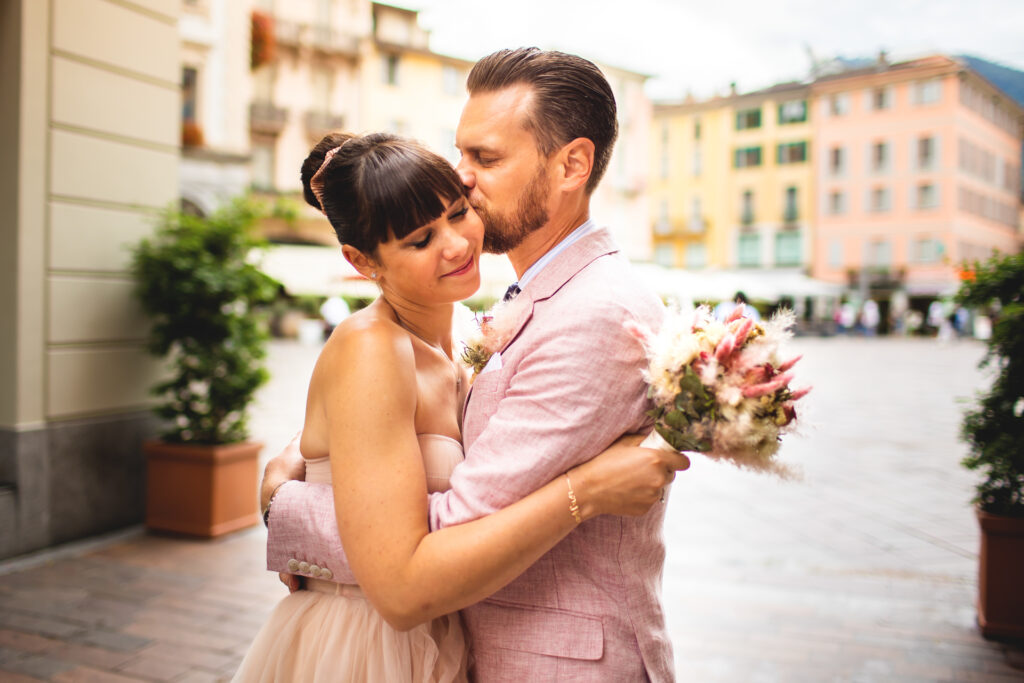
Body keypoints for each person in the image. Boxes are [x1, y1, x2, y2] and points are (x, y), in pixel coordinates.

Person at [261, 48, 681, 681]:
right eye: (460, 154)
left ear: (572, 165)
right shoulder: (519, 302)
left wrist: (285, 507)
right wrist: (310, 456)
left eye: (484, 159)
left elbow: (434, 543)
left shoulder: (594, 313)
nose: (460, 179)